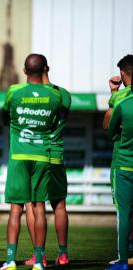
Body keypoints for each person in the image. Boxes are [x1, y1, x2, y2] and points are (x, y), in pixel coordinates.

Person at [0, 54, 62, 270]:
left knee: (16, 209)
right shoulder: (55, 96)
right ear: (44, 70)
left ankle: (10, 261)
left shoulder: (14, 92)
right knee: (40, 207)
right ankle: (39, 261)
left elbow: (5, 118)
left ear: (25, 70)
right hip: (42, 156)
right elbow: (54, 125)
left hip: (19, 156)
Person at [24, 56, 71, 267]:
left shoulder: (30, 96)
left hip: (37, 154)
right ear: (47, 68)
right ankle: (62, 254)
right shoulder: (63, 94)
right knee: (59, 205)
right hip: (57, 154)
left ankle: (39, 255)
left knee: (34, 205)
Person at [102, 55, 133, 266]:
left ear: (122, 73)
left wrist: (113, 94)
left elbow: (107, 127)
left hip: (123, 163)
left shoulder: (121, 99)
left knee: (124, 212)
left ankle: (124, 259)